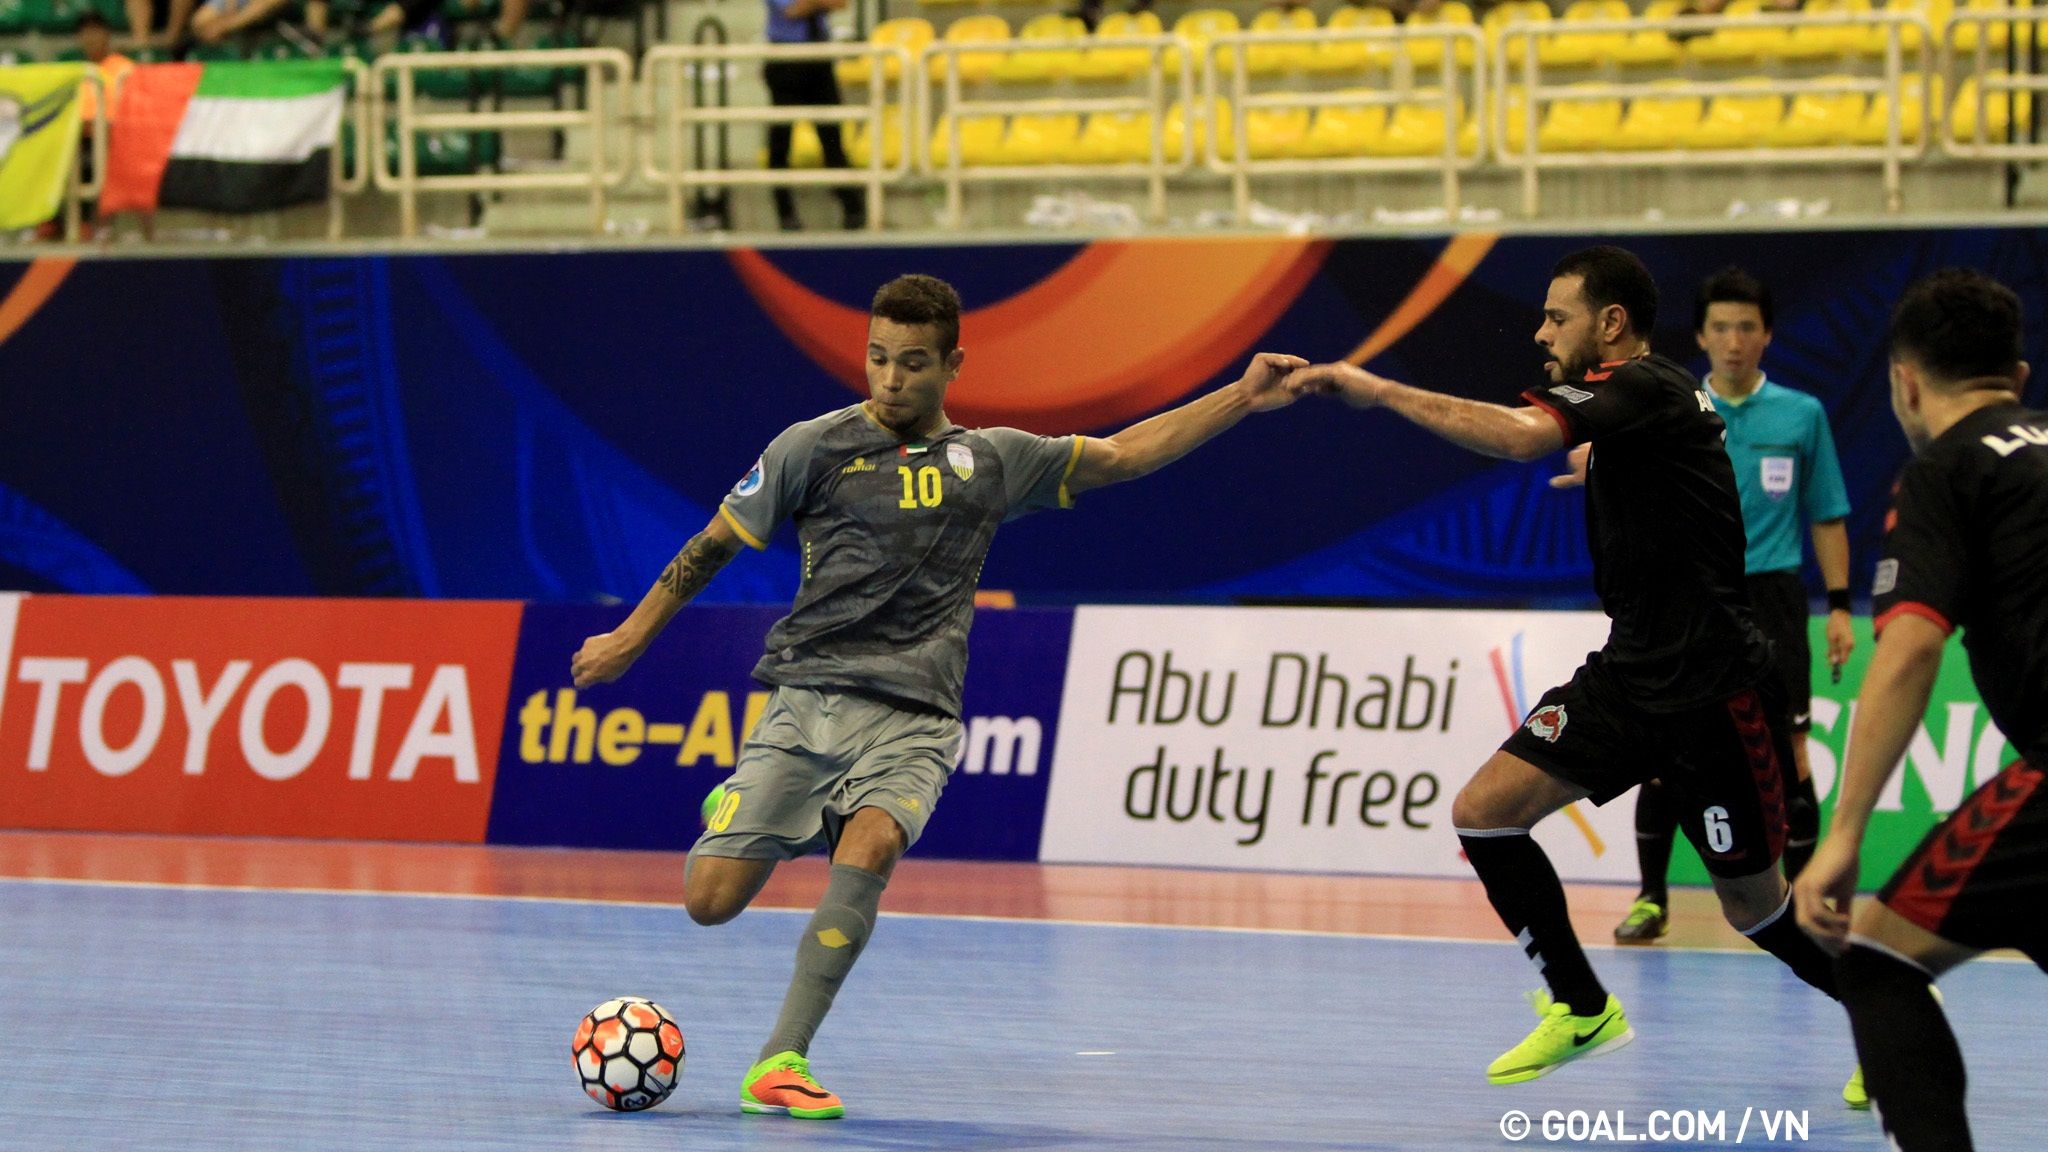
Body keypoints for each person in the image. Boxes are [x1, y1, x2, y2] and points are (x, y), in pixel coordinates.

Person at [569, 274, 1305, 1118]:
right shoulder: (811, 447)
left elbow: (1127, 453)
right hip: (807, 699)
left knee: (873, 847)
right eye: (878, 359)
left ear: (953, 364)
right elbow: (711, 546)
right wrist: (632, 635)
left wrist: (1242, 397)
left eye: (913, 364)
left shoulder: (991, 461)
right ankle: (749, 806)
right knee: (709, 902)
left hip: (917, 715)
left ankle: (781, 1060)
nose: (890, 379)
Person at [1289, 245, 1845, 1086]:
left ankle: (1888, 1011)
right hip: (1628, 677)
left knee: (1757, 912)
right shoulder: (1646, 405)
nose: (1543, 332)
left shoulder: (1648, 383)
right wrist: (1606, 466)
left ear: (1610, 324)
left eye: (1559, 316)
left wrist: (1379, 390)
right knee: (1484, 812)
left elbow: (1519, 438)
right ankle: (1583, 1007)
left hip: (1709, 693)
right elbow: (1656, 457)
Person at [1795, 268, 2048, 1152]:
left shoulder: (1946, 469)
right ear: (2018, 378)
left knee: (1879, 958)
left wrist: (1844, 836)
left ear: (1903, 382)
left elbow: (1908, 649)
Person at [1576, 266, 1855, 947]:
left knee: (1792, 750)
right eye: (1721, 327)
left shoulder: (1802, 415)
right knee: (1664, 749)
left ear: (1766, 336)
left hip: (1774, 596)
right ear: (1700, 336)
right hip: (1690, 599)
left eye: (1747, 327)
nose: (1734, 341)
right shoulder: (1665, 405)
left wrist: (1842, 605)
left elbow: (1826, 515)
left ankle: (1806, 901)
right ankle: (1651, 899)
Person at [762, 0, 863, 232]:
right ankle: (785, 214)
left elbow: (840, 3)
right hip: (785, 59)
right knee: (781, 140)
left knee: (832, 137)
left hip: (820, 58)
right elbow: (791, 10)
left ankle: (853, 210)